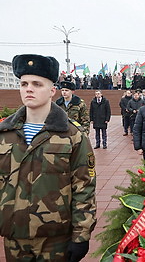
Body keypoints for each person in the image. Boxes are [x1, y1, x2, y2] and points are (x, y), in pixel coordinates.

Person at [0, 54, 96, 261]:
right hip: (14, 235)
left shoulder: (72, 135)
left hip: (55, 239)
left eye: (37, 84)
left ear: (52, 91)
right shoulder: (4, 133)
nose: (29, 89)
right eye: (24, 83)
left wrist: (81, 235)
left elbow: (84, 186)